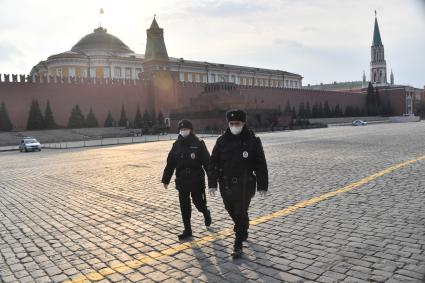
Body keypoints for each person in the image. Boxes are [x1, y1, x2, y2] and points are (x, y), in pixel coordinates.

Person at [208, 109, 268, 258]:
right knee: (231, 210)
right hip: (226, 184)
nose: (234, 126)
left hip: (245, 185)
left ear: (243, 123)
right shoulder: (221, 141)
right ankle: (243, 226)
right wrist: (212, 183)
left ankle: (238, 244)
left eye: (237, 123)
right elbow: (213, 163)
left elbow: (261, 164)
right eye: (231, 123)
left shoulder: (252, 141)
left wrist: (262, 185)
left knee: (240, 212)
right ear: (228, 124)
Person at [162, 119, 212, 240]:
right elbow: (170, 163)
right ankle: (187, 229)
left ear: (191, 130)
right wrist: (165, 179)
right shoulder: (176, 145)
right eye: (181, 130)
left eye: (186, 129)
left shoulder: (199, 143)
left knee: (198, 203)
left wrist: (212, 180)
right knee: (184, 206)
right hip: (182, 180)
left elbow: (207, 163)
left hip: (196, 180)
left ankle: (205, 212)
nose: (183, 131)